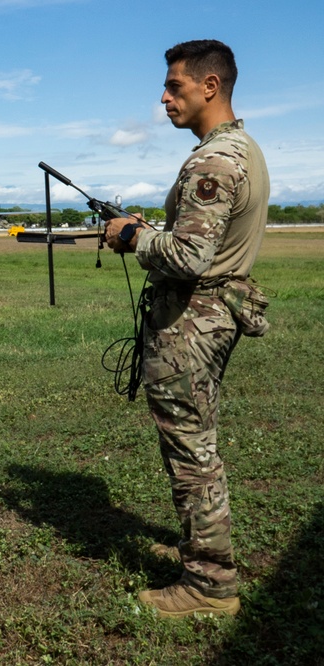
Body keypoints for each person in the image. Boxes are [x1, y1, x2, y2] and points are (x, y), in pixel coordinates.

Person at [104, 40, 270, 618]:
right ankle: (201, 549)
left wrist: (132, 236)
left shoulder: (213, 161)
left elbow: (188, 258)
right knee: (196, 441)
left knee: (191, 450)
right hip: (214, 315)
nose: (164, 96)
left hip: (191, 323)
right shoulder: (239, 148)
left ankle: (209, 584)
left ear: (210, 87)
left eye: (174, 86)